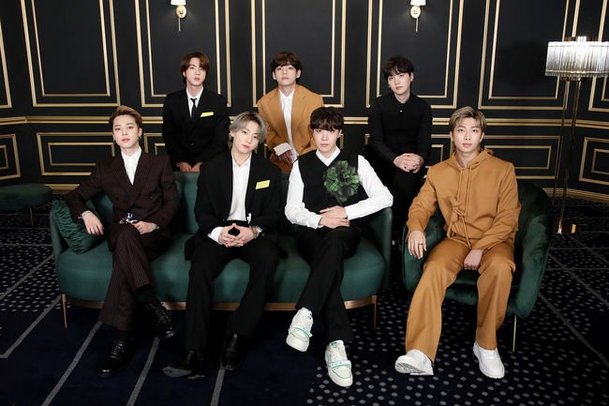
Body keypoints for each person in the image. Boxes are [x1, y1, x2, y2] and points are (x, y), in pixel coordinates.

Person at [395, 106, 520, 379]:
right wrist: (415, 228)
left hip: (494, 241)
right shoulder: (439, 171)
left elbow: (508, 218)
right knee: (433, 269)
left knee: (500, 267)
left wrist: (480, 248)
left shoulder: (503, 170)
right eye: (461, 130)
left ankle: (486, 345)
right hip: (457, 240)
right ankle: (420, 352)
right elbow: (421, 206)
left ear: (482, 135)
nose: (467, 137)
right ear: (452, 135)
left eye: (474, 131)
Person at [164, 112, 282, 378]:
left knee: (268, 259)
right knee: (200, 268)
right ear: (232, 133)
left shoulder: (269, 171)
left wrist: (253, 231)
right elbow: (202, 211)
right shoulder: (212, 168)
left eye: (255, 137)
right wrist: (218, 233)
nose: (248, 140)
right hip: (219, 229)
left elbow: (274, 214)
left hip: (252, 231)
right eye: (244, 132)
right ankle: (194, 352)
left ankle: (237, 334)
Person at [65, 105, 179, 377]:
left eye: (129, 127)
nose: (124, 132)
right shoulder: (105, 168)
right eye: (118, 129)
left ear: (140, 132)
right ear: (113, 136)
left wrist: (153, 223)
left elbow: (173, 202)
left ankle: (121, 339)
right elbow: (74, 196)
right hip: (121, 232)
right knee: (126, 234)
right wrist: (85, 213)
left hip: (152, 234)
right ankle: (150, 303)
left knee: (123, 266)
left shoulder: (159, 163)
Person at [284, 107, 393, 387]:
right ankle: (336, 344)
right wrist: (320, 219)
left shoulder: (357, 161)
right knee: (328, 260)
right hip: (311, 231)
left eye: (330, 131)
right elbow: (291, 210)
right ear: (312, 133)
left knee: (334, 243)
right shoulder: (301, 164)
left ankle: (306, 312)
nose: (324, 137)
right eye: (319, 130)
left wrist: (346, 213)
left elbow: (385, 197)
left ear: (339, 134)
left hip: (345, 232)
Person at [367, 55, 432, 234]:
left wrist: (420, 159)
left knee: (406, 179)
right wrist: (395, 159)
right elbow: (376, 141)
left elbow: (425, 143)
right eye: (391, 78)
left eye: (401, 75)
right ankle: (387, 234)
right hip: (383, 160)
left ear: (411, 77)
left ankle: (401, 234)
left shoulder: (423, 107)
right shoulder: (378, 105)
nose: (396, 81)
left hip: (410, 162)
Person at [162, 51, 230, 172]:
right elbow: (168, 135)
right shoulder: (171, 100)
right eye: (192, 68)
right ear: (184, 72)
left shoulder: (218, 101)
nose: (197, 72)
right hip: (180, 164)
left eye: (201, 69)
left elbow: (221, 138)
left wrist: (202, 162)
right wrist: (181, 161)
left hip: (212, 162)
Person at [257, 51, 323, 172]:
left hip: (310, 159)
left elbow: (320, 131)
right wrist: (281, 148)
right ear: (274, 75)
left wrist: (304, 157)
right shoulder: (264, 102)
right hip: (281, 161)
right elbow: (268, 132)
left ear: (298, 73)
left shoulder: (314, 100)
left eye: (290, 68)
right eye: (279, 69)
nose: (284, 72)